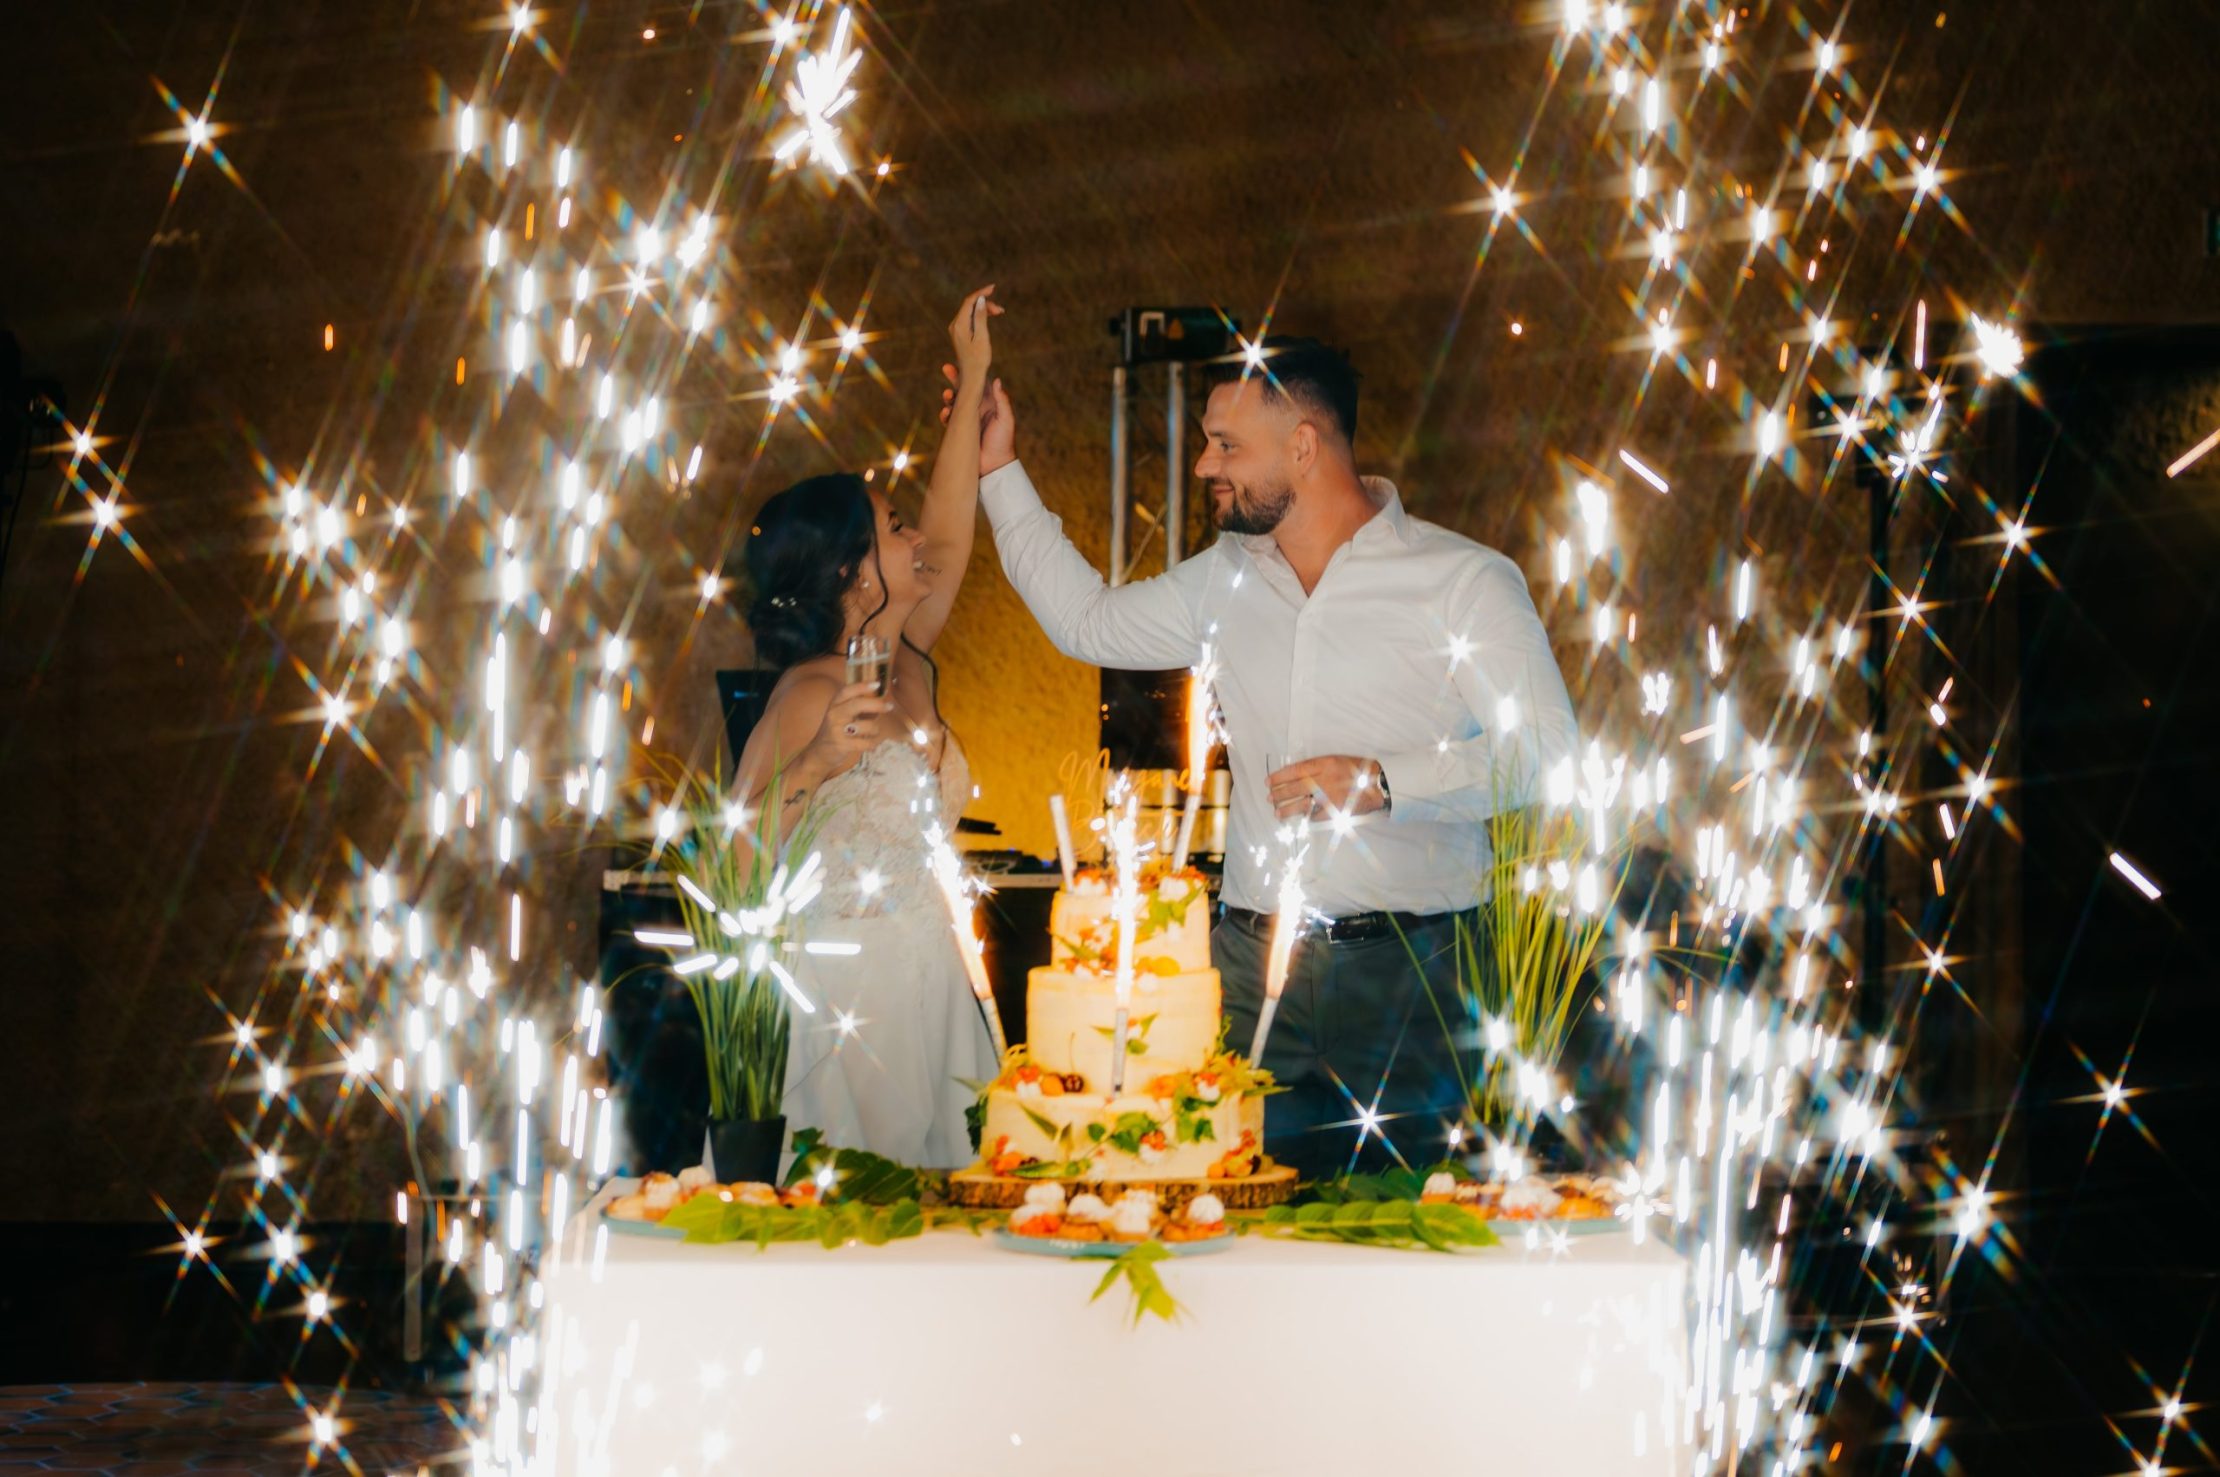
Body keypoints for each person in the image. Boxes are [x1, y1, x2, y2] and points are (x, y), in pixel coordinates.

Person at [952, 336, 1577, 1178]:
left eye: (1226, 445)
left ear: (1305, 446)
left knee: (1406, 1230)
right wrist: (1000, 471)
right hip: (1246, 968)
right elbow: (1087, 624)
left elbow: (1546, 755)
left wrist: (1388, 782)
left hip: (1412, 976)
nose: (1205, 463)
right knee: (1226, 1216)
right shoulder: (1223, 580)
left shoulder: (1463, 581)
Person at [729, 286, 1006, 1169]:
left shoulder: (911, 660)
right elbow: (731, 863)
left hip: (938, 993)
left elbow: (953, 539)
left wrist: (973, 387)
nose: (918, 535)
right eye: (895, 527)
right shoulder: (808, 694)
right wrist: (812, 761)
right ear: (852, 571)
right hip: (849, 1007)